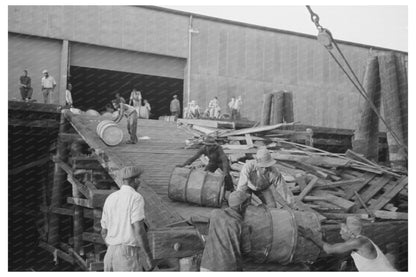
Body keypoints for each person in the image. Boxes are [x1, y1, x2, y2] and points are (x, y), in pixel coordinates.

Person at [101, 166, 154, 271]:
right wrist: (148, 255)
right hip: (127, 255)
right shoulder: (136, 197)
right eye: (140, 179)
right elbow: (139, 230)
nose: (140, 183)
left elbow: (103, 232)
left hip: (109, 254)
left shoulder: (110, 198)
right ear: (135, 180)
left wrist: (114, 247)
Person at [298, 216, 397, 271]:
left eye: (342, 230)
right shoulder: (362, 241)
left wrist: (311, 236)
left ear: (350, 232)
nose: (340, 232)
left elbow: (330, 249)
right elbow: (335, 249)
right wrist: (322, 238)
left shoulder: (359, 242)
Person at [200, 190, 251, 271]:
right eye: (247, 205)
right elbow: (246, 251)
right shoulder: (243, 226)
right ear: (241, 206)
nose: (247, 208)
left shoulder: (215, 214)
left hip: (206, 267)